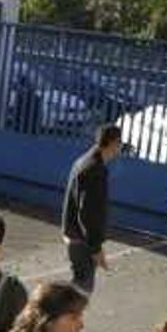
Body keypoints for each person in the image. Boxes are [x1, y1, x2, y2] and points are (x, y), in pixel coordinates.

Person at [62, 124, 123, 295]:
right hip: (82, 241)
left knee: (77, 288)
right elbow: (87, 213)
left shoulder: (84, 161)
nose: (119, 148)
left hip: (75, 235)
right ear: (113, 143)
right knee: (80, 293)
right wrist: (96, 248)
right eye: (119, 143)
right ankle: (54, 318)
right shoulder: (95, 169)